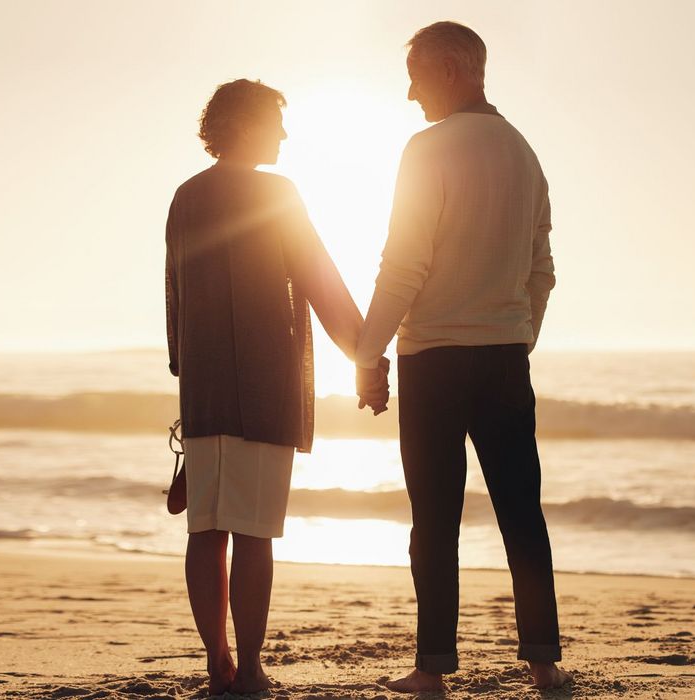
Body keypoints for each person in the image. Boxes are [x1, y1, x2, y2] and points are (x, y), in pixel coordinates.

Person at [353, 21, 569, 692]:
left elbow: (404, 264)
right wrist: (514, 335)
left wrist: (367, 351)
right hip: (504, 358)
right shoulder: (523, 152)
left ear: (450, 69)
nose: (410, 90)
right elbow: (542, 271)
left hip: (436, 360)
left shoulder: (428, 148)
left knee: (435, 519)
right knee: (521, 511)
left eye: (417, 73)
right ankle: (543, 660)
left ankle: (433, 671)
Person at [166, 79, 389, 695]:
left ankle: (218, 663)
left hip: (207, 393)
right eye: (275, 122)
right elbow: (318, 278)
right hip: (265, 388)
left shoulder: (186, 196)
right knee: (254, 534)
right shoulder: (277, 193)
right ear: (243, 124)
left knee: (206, 532)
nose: (285, 135)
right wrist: (366, 358)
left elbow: (174, 295)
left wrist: (188, 373)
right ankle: (253, 666)